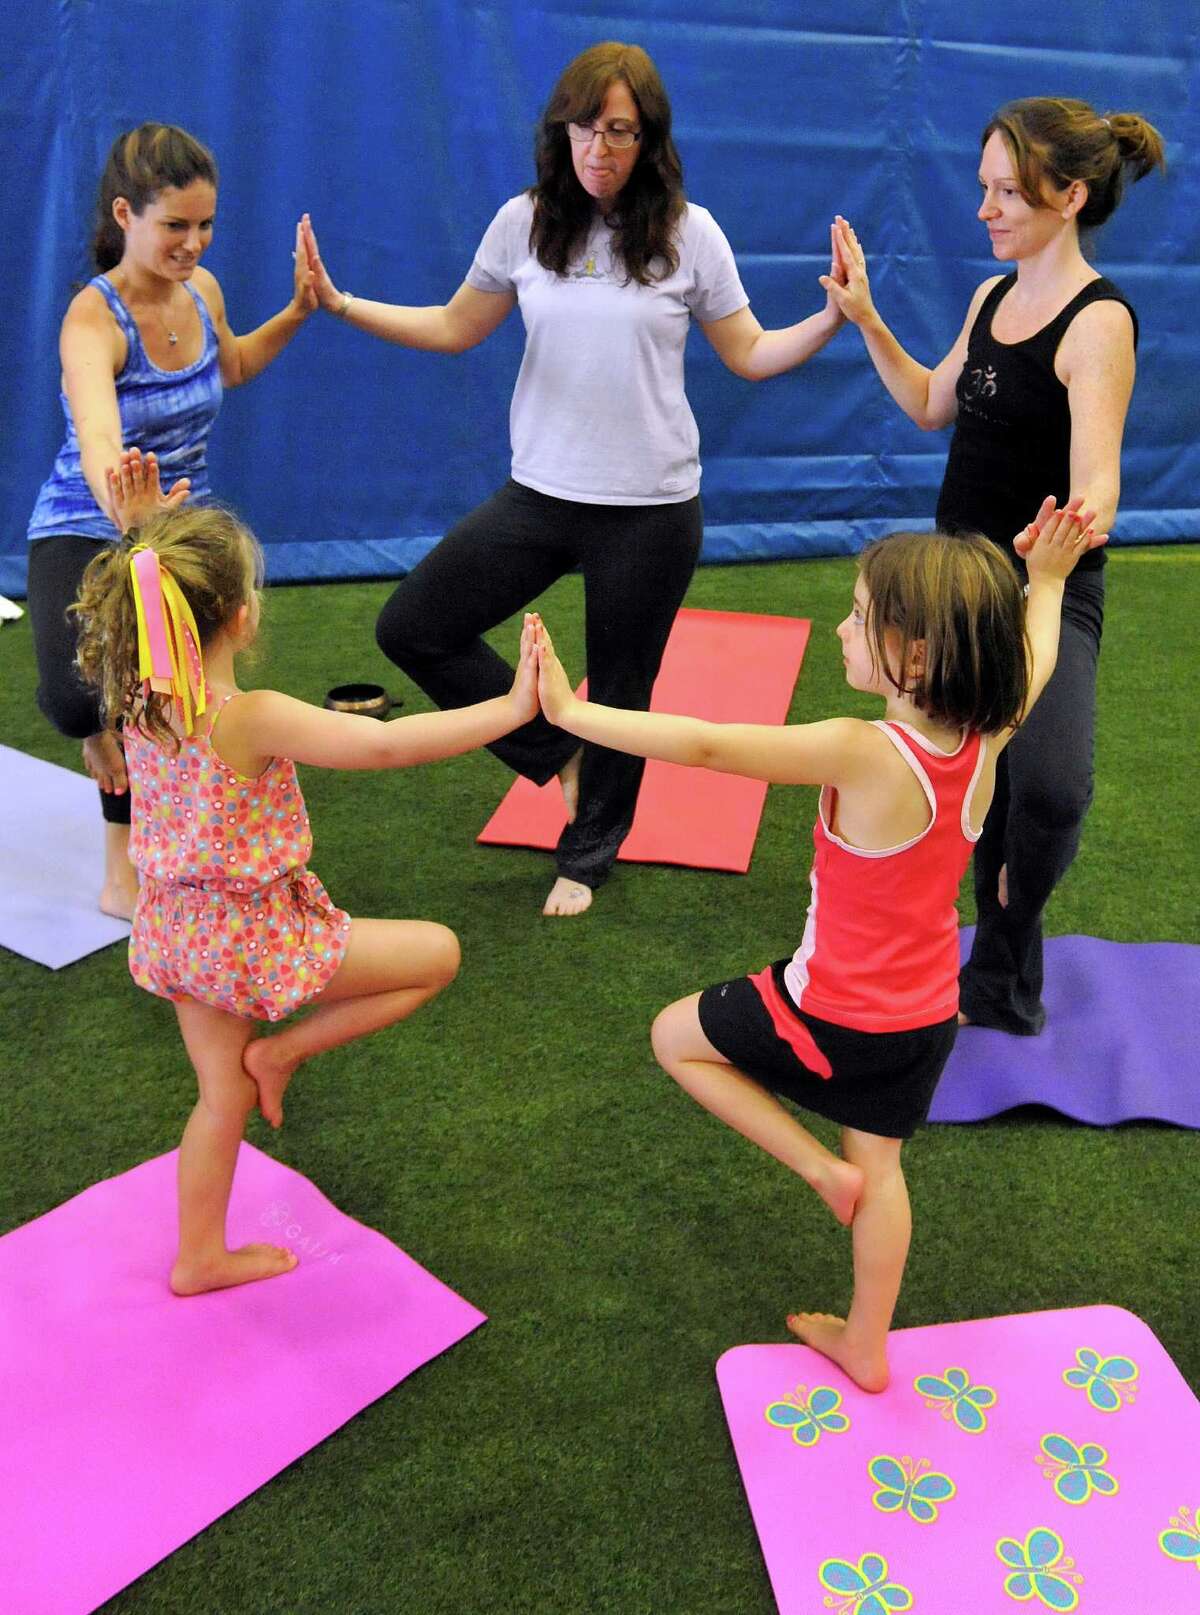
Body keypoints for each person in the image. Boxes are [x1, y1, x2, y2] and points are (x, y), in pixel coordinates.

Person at [533, 499, 1106, 1391]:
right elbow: (1033, 660)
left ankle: (815, 1171)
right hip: (927, 1017)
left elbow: (708, 745)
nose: (840, 627)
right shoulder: (986, 735)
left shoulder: (863, 749)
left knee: (673, 1038)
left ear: (915, 655)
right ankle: (866, 1343)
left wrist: (572, 709)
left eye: (857, 616)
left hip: (828, 1011)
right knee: (882, 1168)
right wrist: (1050, 580)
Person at [300, 40, 847, 917]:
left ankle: (588, 855)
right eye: (586, 128)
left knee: (623, 688)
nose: (600, 148)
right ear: (561, 131)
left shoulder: (688, 233)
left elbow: (747, 353)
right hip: (542, 494)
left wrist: (828, 317)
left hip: (652, 509)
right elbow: (453, 327)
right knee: (414, 626)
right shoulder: (523, 222)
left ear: (649, 140)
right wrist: (342, 304)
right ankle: (556, 752)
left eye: (621, 132)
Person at [71, 459, 540, 1296]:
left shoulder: (135, 696)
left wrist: (141, 530)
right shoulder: (250, 716)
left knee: (220, 1096)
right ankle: (284, 1051)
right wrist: (510, 710)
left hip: (176, 933)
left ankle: (199, 1257)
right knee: (439, 953)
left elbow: (148, 591)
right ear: (243, 618)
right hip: (252, 937)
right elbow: (387, 746)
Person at [820, 98, 1165, 1034]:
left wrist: (1054, 551)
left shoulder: (1098, 323)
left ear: (1071, 196)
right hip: (954, 589)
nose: (987, 210)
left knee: (1047, 791)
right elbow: (931, 403)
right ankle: (987, 981)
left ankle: (1011, 910)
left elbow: (1098, 486)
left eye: (1009, 192)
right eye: (985, 190)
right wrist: (865, 318)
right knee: (969, 777)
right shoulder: (988, 299)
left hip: (1044, 586)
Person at [26, 121, 318, 920]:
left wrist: (298, 309)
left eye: (205, 225)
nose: (193, 243)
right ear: (125, 215)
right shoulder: (94, 319)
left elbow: (232, 366)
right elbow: (96, 434)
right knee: (75, 700)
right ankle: (98, 725)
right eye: (175, 226)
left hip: (179, 530)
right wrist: (126, 508)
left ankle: (129, 866)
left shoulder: (205, 291)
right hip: (89, 521)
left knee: (163, 692)